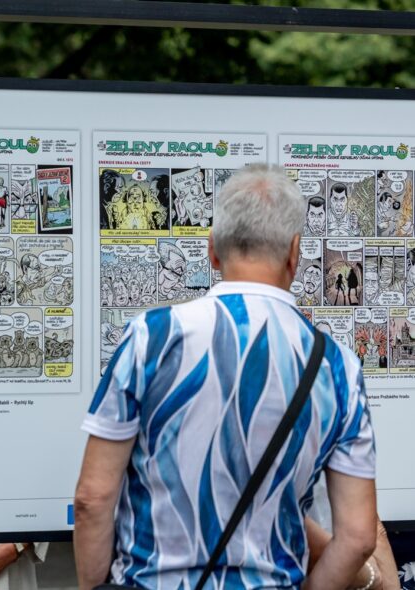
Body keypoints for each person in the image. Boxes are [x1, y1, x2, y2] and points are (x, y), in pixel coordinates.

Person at [74, 165, 376, 589]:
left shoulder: (152, 338)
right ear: (295, 253)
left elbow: (92, 499)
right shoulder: (338, 366)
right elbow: (359, 537)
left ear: (212, 250)